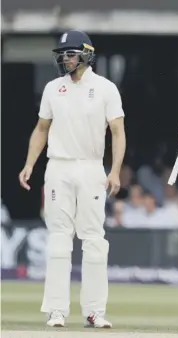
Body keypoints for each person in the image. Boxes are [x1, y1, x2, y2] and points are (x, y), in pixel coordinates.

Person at [18, 30, 126, 328]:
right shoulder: (54, 88)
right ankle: (56, 310)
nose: (65, 58)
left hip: (91, 168)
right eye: (62, 53)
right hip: (58, 167)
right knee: (58, 239)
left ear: (86, 54)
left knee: (93, 239)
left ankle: (94, 311)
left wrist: (114, 170)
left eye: (71, 53)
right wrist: (30, 164)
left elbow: (117, 131)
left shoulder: (105, 88)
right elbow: (41, 128)